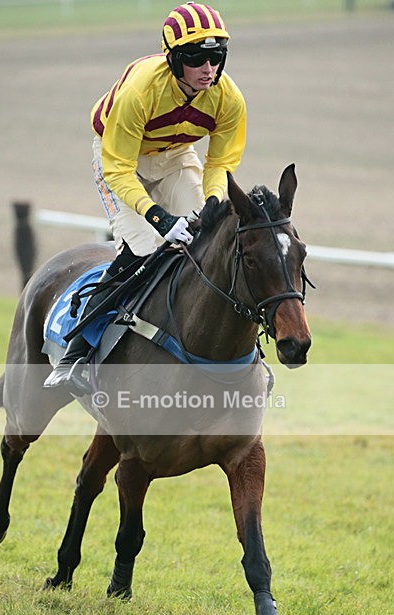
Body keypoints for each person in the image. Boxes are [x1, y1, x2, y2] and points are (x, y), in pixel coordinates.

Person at [44, 2, 246, 391]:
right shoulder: (141, 89)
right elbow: (118, 167)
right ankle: (77, 350)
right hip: (121, 158)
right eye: (197, 57)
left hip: (175, 158)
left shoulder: (229, 98)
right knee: (143, 248)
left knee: (205, 239)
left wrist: (214, 203)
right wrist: (160, 218)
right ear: (173, 60)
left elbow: (220, 163)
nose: (209, 68)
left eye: (217, 56)